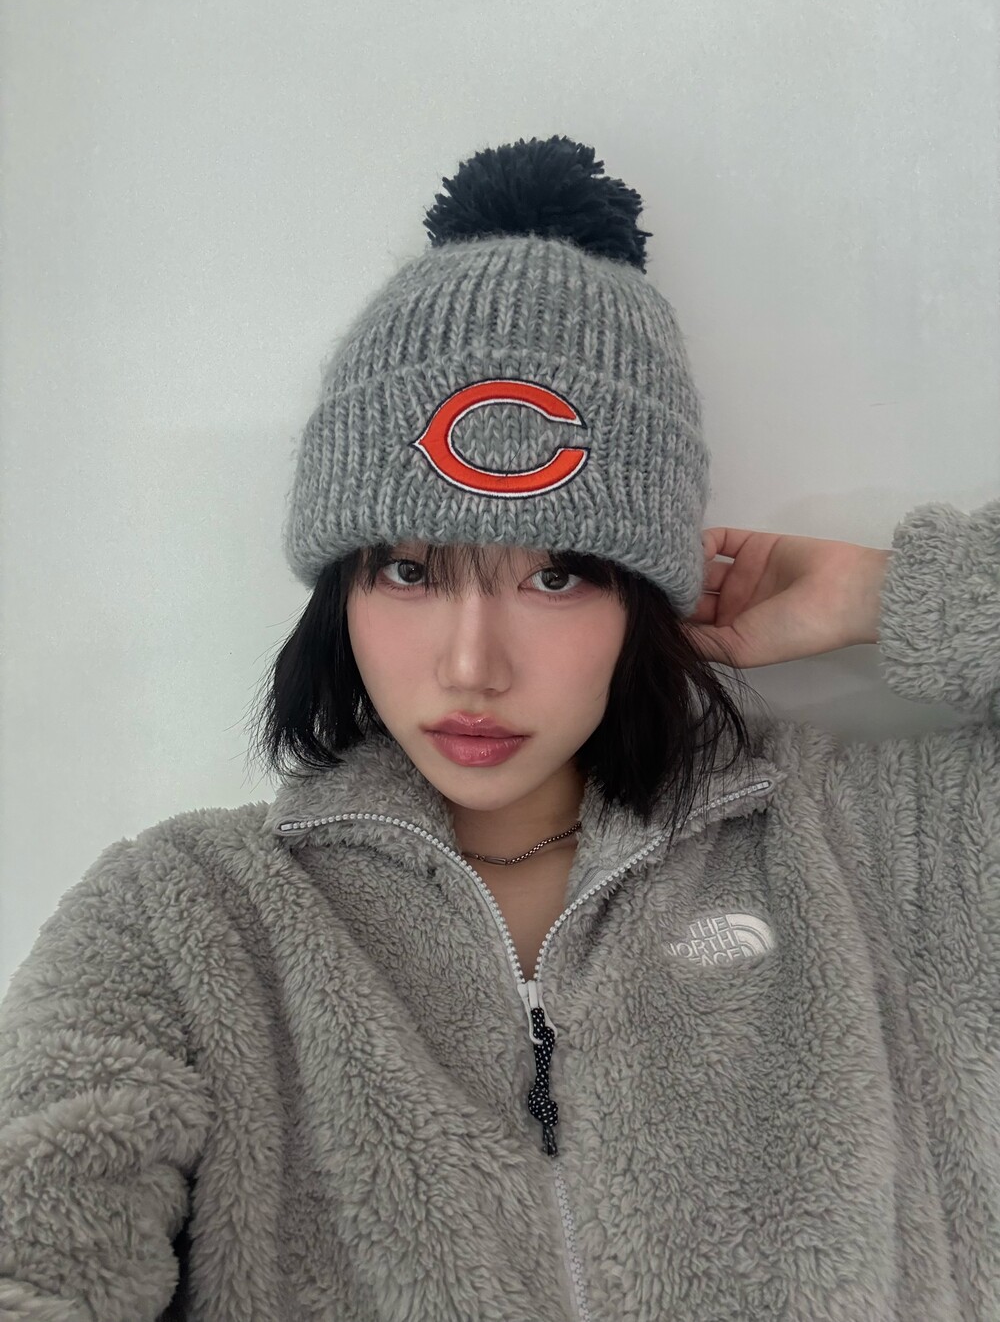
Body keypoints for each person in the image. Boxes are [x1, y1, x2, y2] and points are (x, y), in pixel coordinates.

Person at [0, 135, 996, 1322]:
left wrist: (890, 592)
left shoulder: (881, 850)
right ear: (340, 592)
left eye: (556, 574)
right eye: (411, 569)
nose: (472, 664)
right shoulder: (184, 919)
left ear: (643, 595)